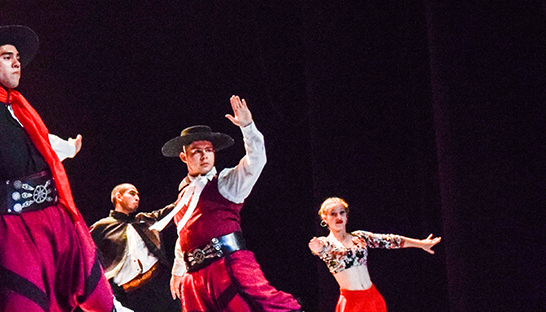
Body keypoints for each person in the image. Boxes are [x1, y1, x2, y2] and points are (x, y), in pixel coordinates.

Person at [0, 0, 114, 310]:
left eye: (18, 58)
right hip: (14, 228)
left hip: (55, 218)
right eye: (6, 57)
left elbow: (41, 142)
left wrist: (66, 148)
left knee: (101, 300)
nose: (16, 63)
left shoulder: (21, 111)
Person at [150, 96, 302, 311]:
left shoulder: (225, 182)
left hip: (227, 267)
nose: (204, 156)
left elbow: (256, 161)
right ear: (184, 157)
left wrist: (248, 127)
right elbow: (185, 232)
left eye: (209, 151)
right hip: (195, 277)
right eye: (197, 151)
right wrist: (178, 270)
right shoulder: (184, 191)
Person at [308, 197, 441, 312]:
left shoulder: (360, 237)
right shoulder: (326, 243)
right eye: (333, 214)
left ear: (346, 216)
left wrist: (421, 244)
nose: (338, 217)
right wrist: (316, 248)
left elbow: (390, 240)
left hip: (372, 297)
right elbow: (319, 249)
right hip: (351, 302)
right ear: (325, 218)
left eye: (342, 213)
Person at [90, 184, 181, 312]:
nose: (137, 197)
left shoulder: (143, 220)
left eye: (138, 195)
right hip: (133, 295)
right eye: (132, 193)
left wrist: (192, 189)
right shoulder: (101, 227)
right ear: (119, 197)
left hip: (161, 282)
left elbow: (174, 209)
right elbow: (84, 251)